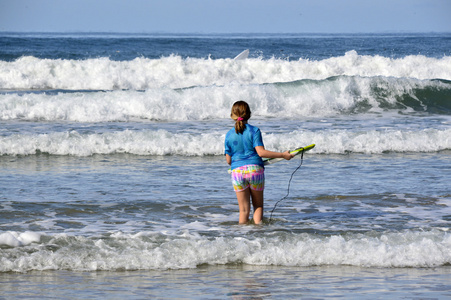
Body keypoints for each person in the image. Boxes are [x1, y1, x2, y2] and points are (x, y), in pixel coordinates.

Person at [224, 101, 293, 224]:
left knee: (244, 210)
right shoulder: (254, 130)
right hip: (255, 170)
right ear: (249, 114)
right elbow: (261, 153)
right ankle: (259, 235)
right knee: (258, 206)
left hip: (237, 172)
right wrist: (283, 155)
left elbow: (228, 160)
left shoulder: (229, 135)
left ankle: (241, 238)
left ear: (232, 115)